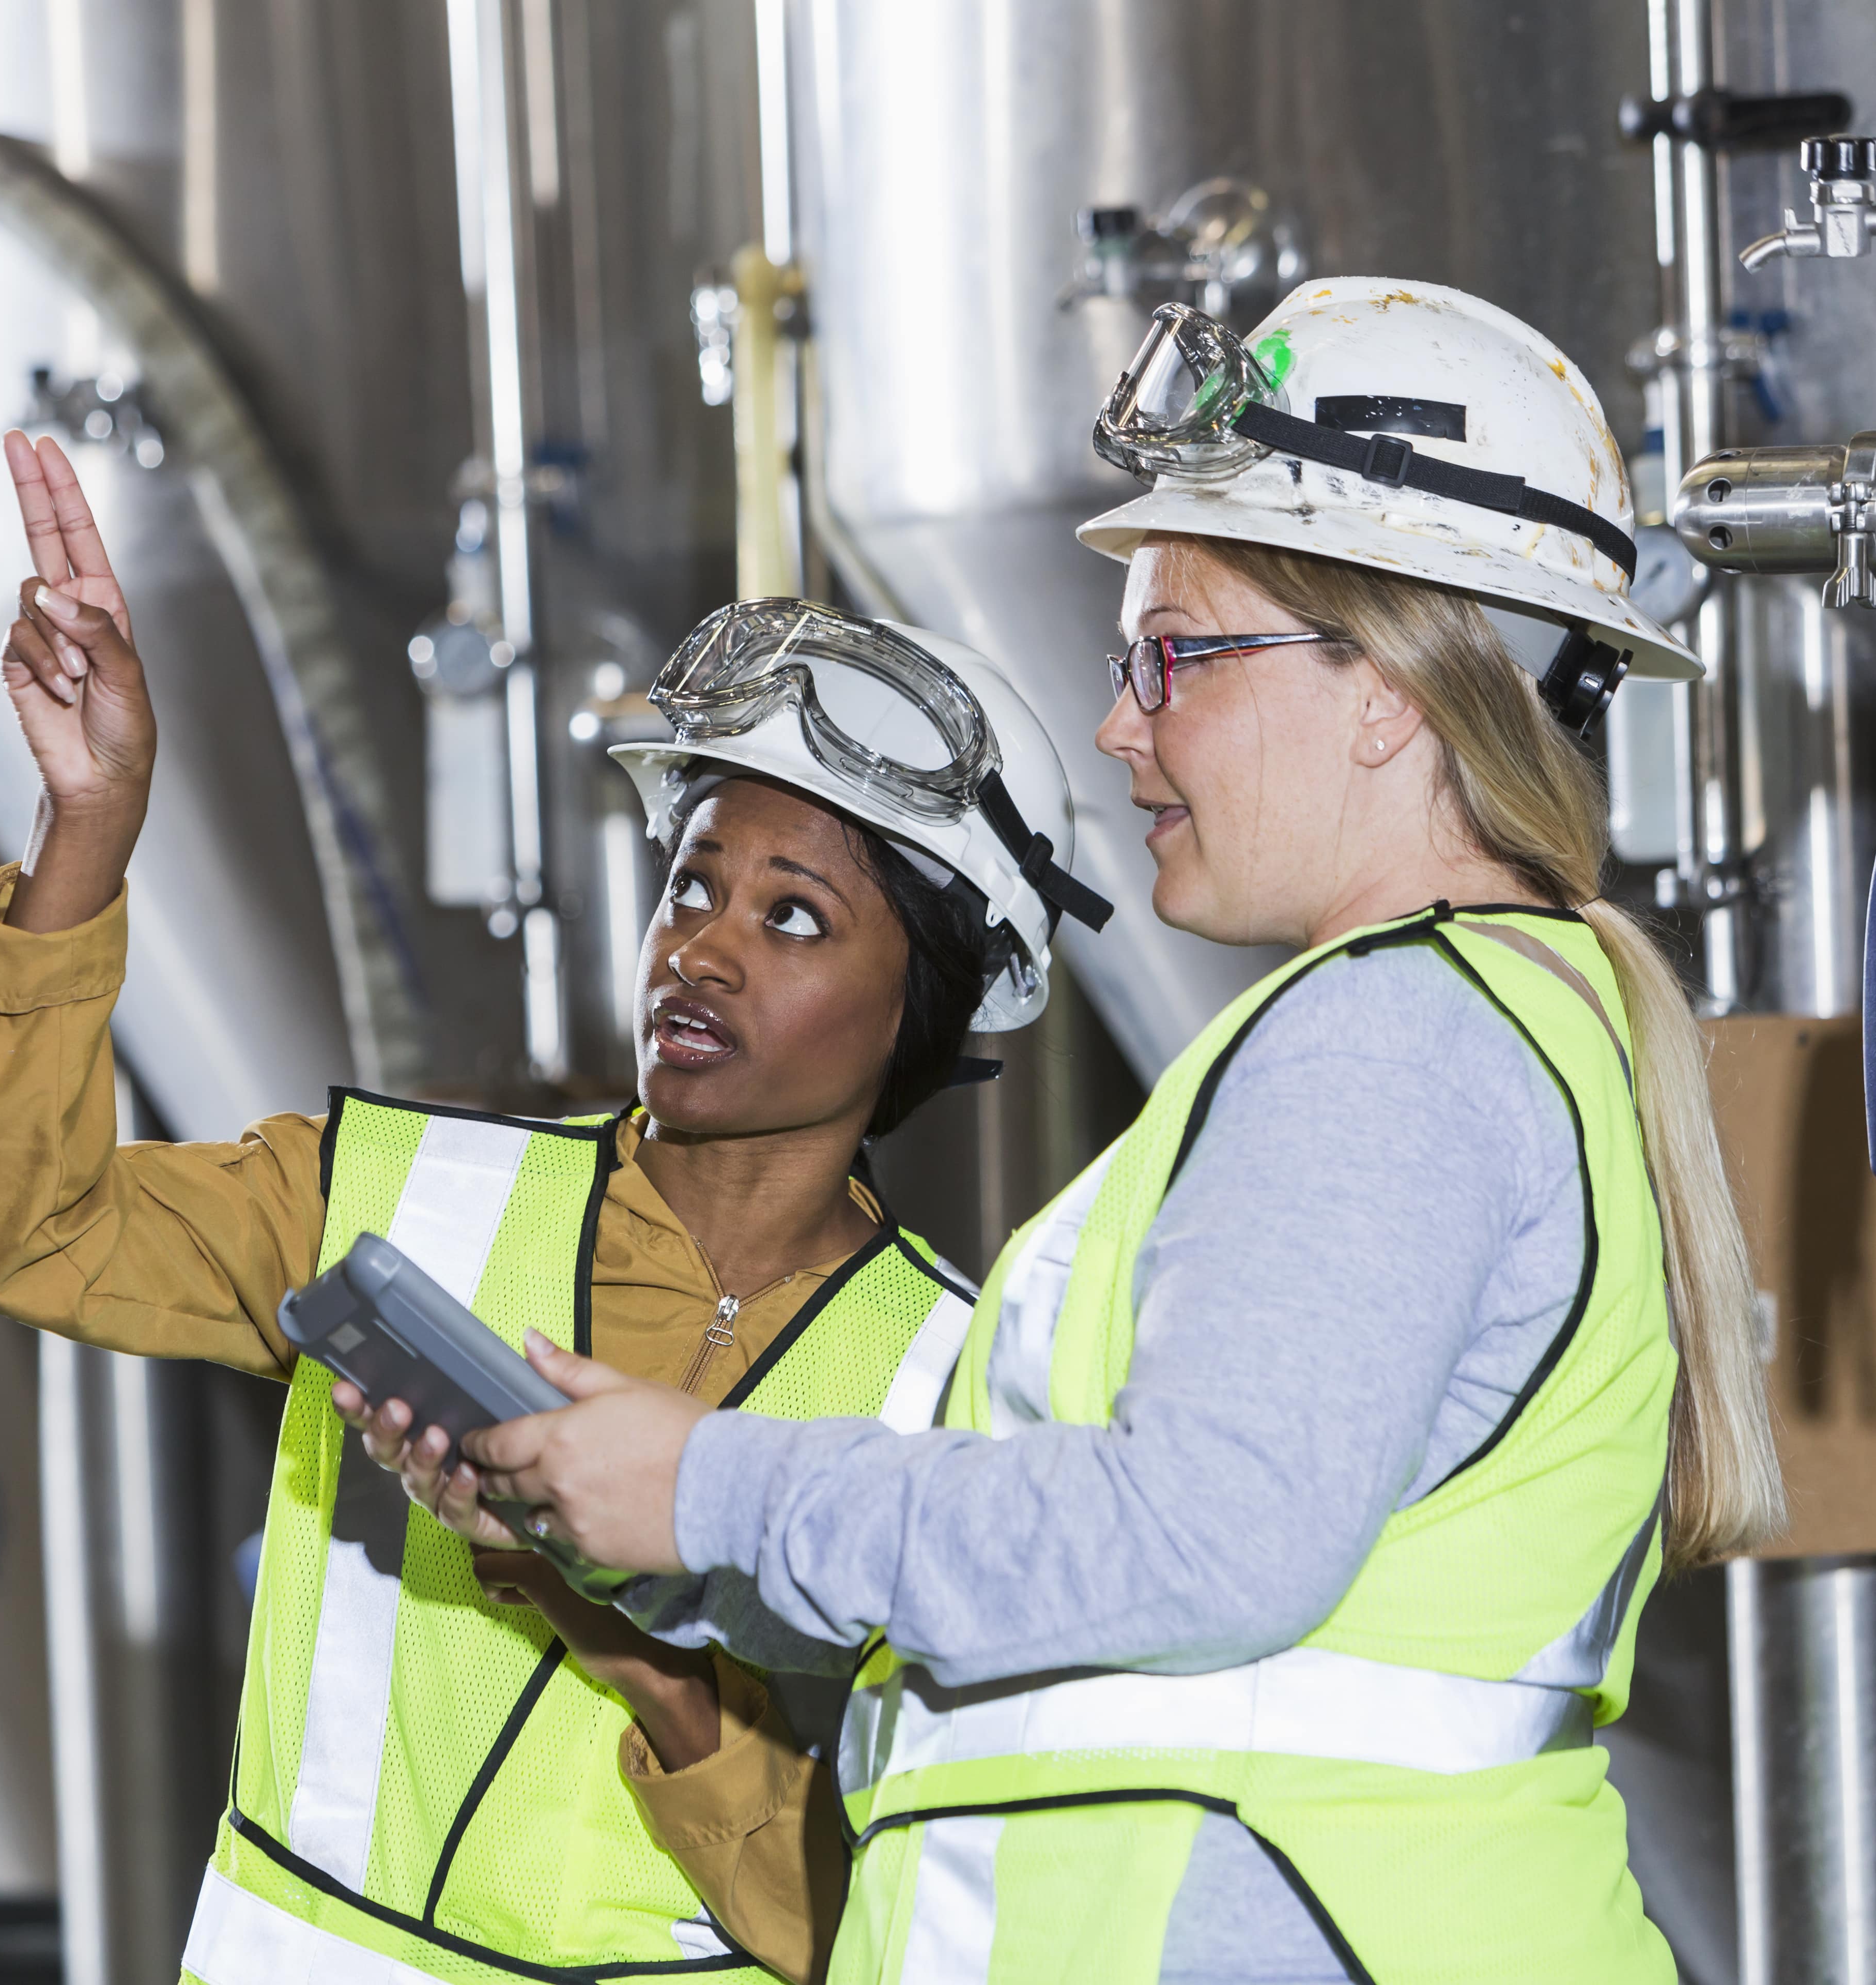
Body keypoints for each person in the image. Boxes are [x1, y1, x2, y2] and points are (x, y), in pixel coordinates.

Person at [394, 279, 1788, 1983]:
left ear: (1392, 692)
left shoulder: (1395, 1043)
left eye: (1176, 654)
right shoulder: (1465, 1027)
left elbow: (1203, 1544)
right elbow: (1105, 1615)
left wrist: (709, 1485)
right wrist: (634, 1522)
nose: (1123, 724)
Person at [0, 434, 1111, 1983]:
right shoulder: (397, 1197)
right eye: (692, 885)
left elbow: (894, 1938)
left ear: (928, 1007)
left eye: (795, 918)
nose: (700, 951)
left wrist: (613, 1620)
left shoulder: (963, 1400)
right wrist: (90, 828)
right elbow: (28, 1234)